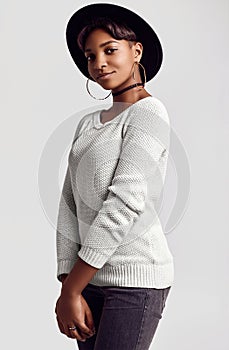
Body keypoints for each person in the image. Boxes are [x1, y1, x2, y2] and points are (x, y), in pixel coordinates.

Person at [54, 3, 174, 350]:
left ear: (136, 51)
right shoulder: (87, 124)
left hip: (135, 281)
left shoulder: (149, 112)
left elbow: (125, 202)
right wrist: (68, 281)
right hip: (87, 280)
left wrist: (72, 288)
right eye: (91, 56)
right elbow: (69, 201)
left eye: (110, 50)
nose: (99, 63)